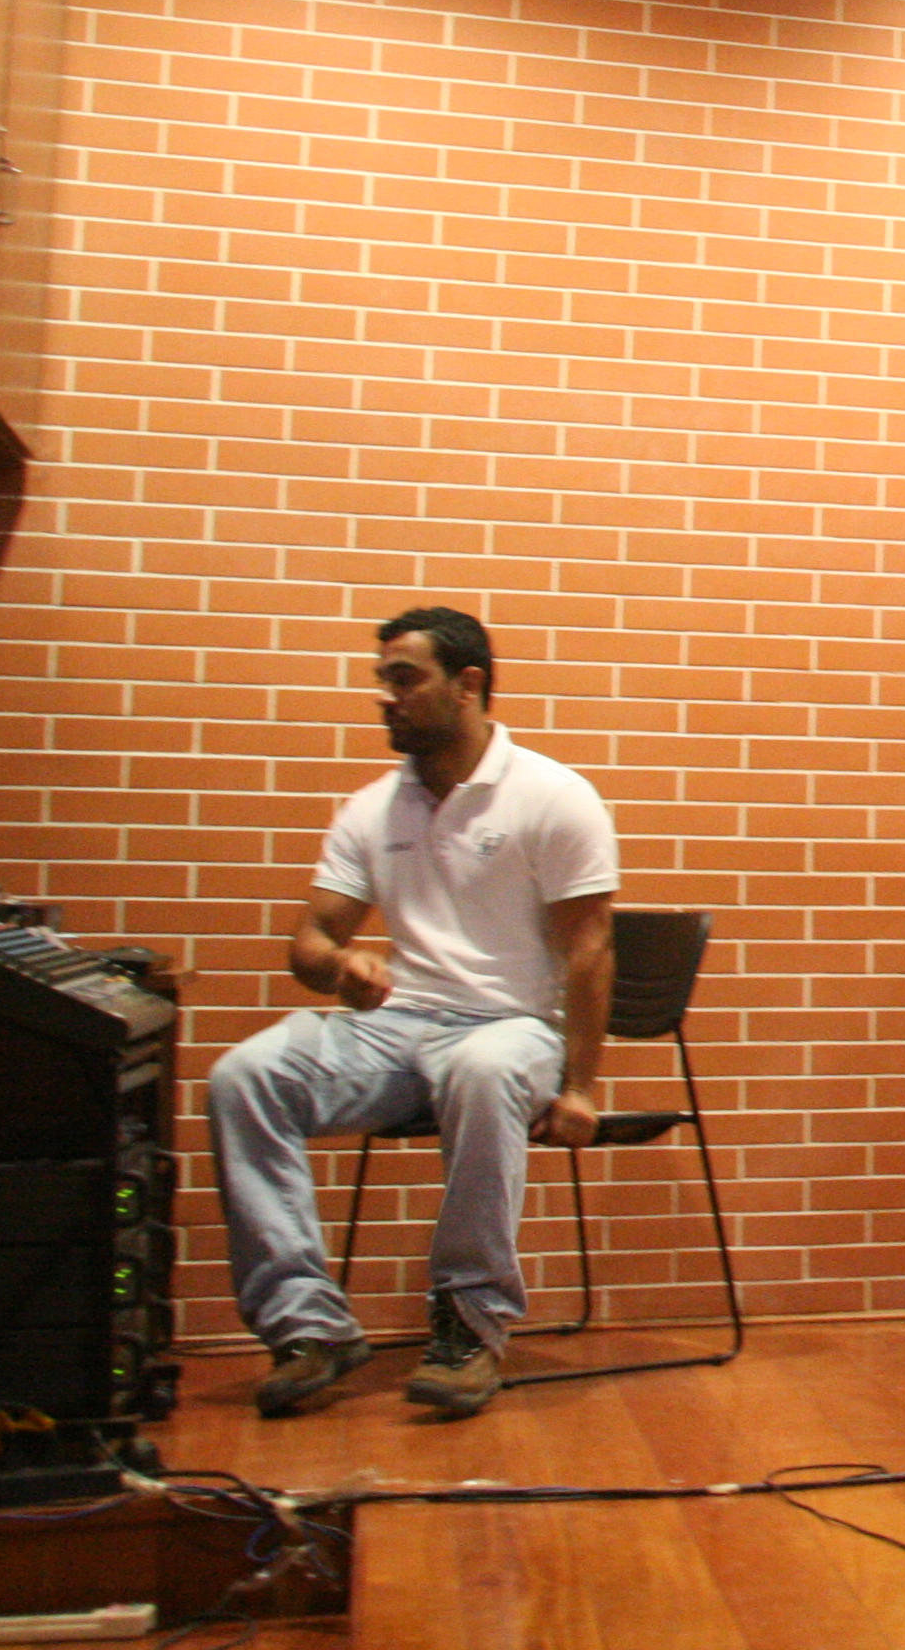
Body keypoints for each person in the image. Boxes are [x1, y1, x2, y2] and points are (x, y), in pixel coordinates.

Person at [206, 607, 616, 1420]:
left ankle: (469, 1326)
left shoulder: (552, 795)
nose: (385, 697)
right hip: (396, 1028)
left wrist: (580, 1087)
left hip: (509, 1026)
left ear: (468, 685)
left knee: (482, 1067)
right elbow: (311, 940)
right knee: (244, 1076)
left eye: (405, 678)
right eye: (382, 680)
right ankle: (307, 1328)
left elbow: (590, 947)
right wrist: (340, 967)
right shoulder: (371, 809)